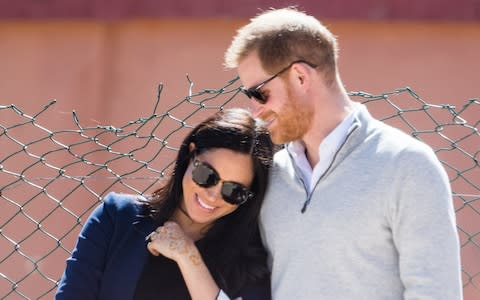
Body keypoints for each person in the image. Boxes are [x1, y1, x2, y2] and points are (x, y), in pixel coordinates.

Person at [224, 7, 463, 300]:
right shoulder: (272, 173)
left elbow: (436, 293)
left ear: (300, 77)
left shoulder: (408, 165)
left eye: (259, 93)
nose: (255, 109)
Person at [55, 108, 274, 300]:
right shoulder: (116, 217)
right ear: (190, 154)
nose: (212, 196)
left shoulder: (248, 263)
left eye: (234, 191)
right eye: (206, 175)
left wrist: (188, 256)